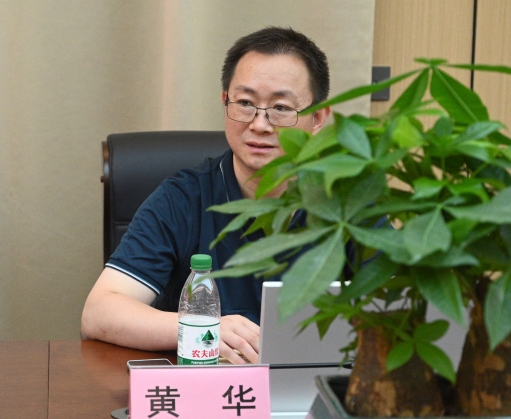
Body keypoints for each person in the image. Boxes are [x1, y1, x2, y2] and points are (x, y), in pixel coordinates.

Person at [81, 27, 332, 365]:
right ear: (225, 101)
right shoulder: (182, 199)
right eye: (245, 103)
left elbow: (394, 311)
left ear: (317, 118)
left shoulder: (347, 204)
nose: (260, 124)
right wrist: (201, 327)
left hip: (318, 387)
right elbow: (99, 312)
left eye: (281, 107)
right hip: (204, 386)